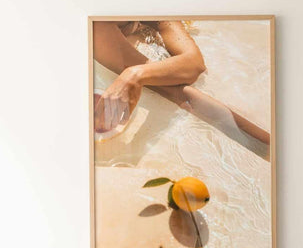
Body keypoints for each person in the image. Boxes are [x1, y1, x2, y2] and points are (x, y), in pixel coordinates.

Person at [92, 19, 270, 159]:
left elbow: (195, 63)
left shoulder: (149, 3)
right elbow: (176, 91)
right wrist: (267, 148)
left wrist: (135, 74)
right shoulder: (98, 28)